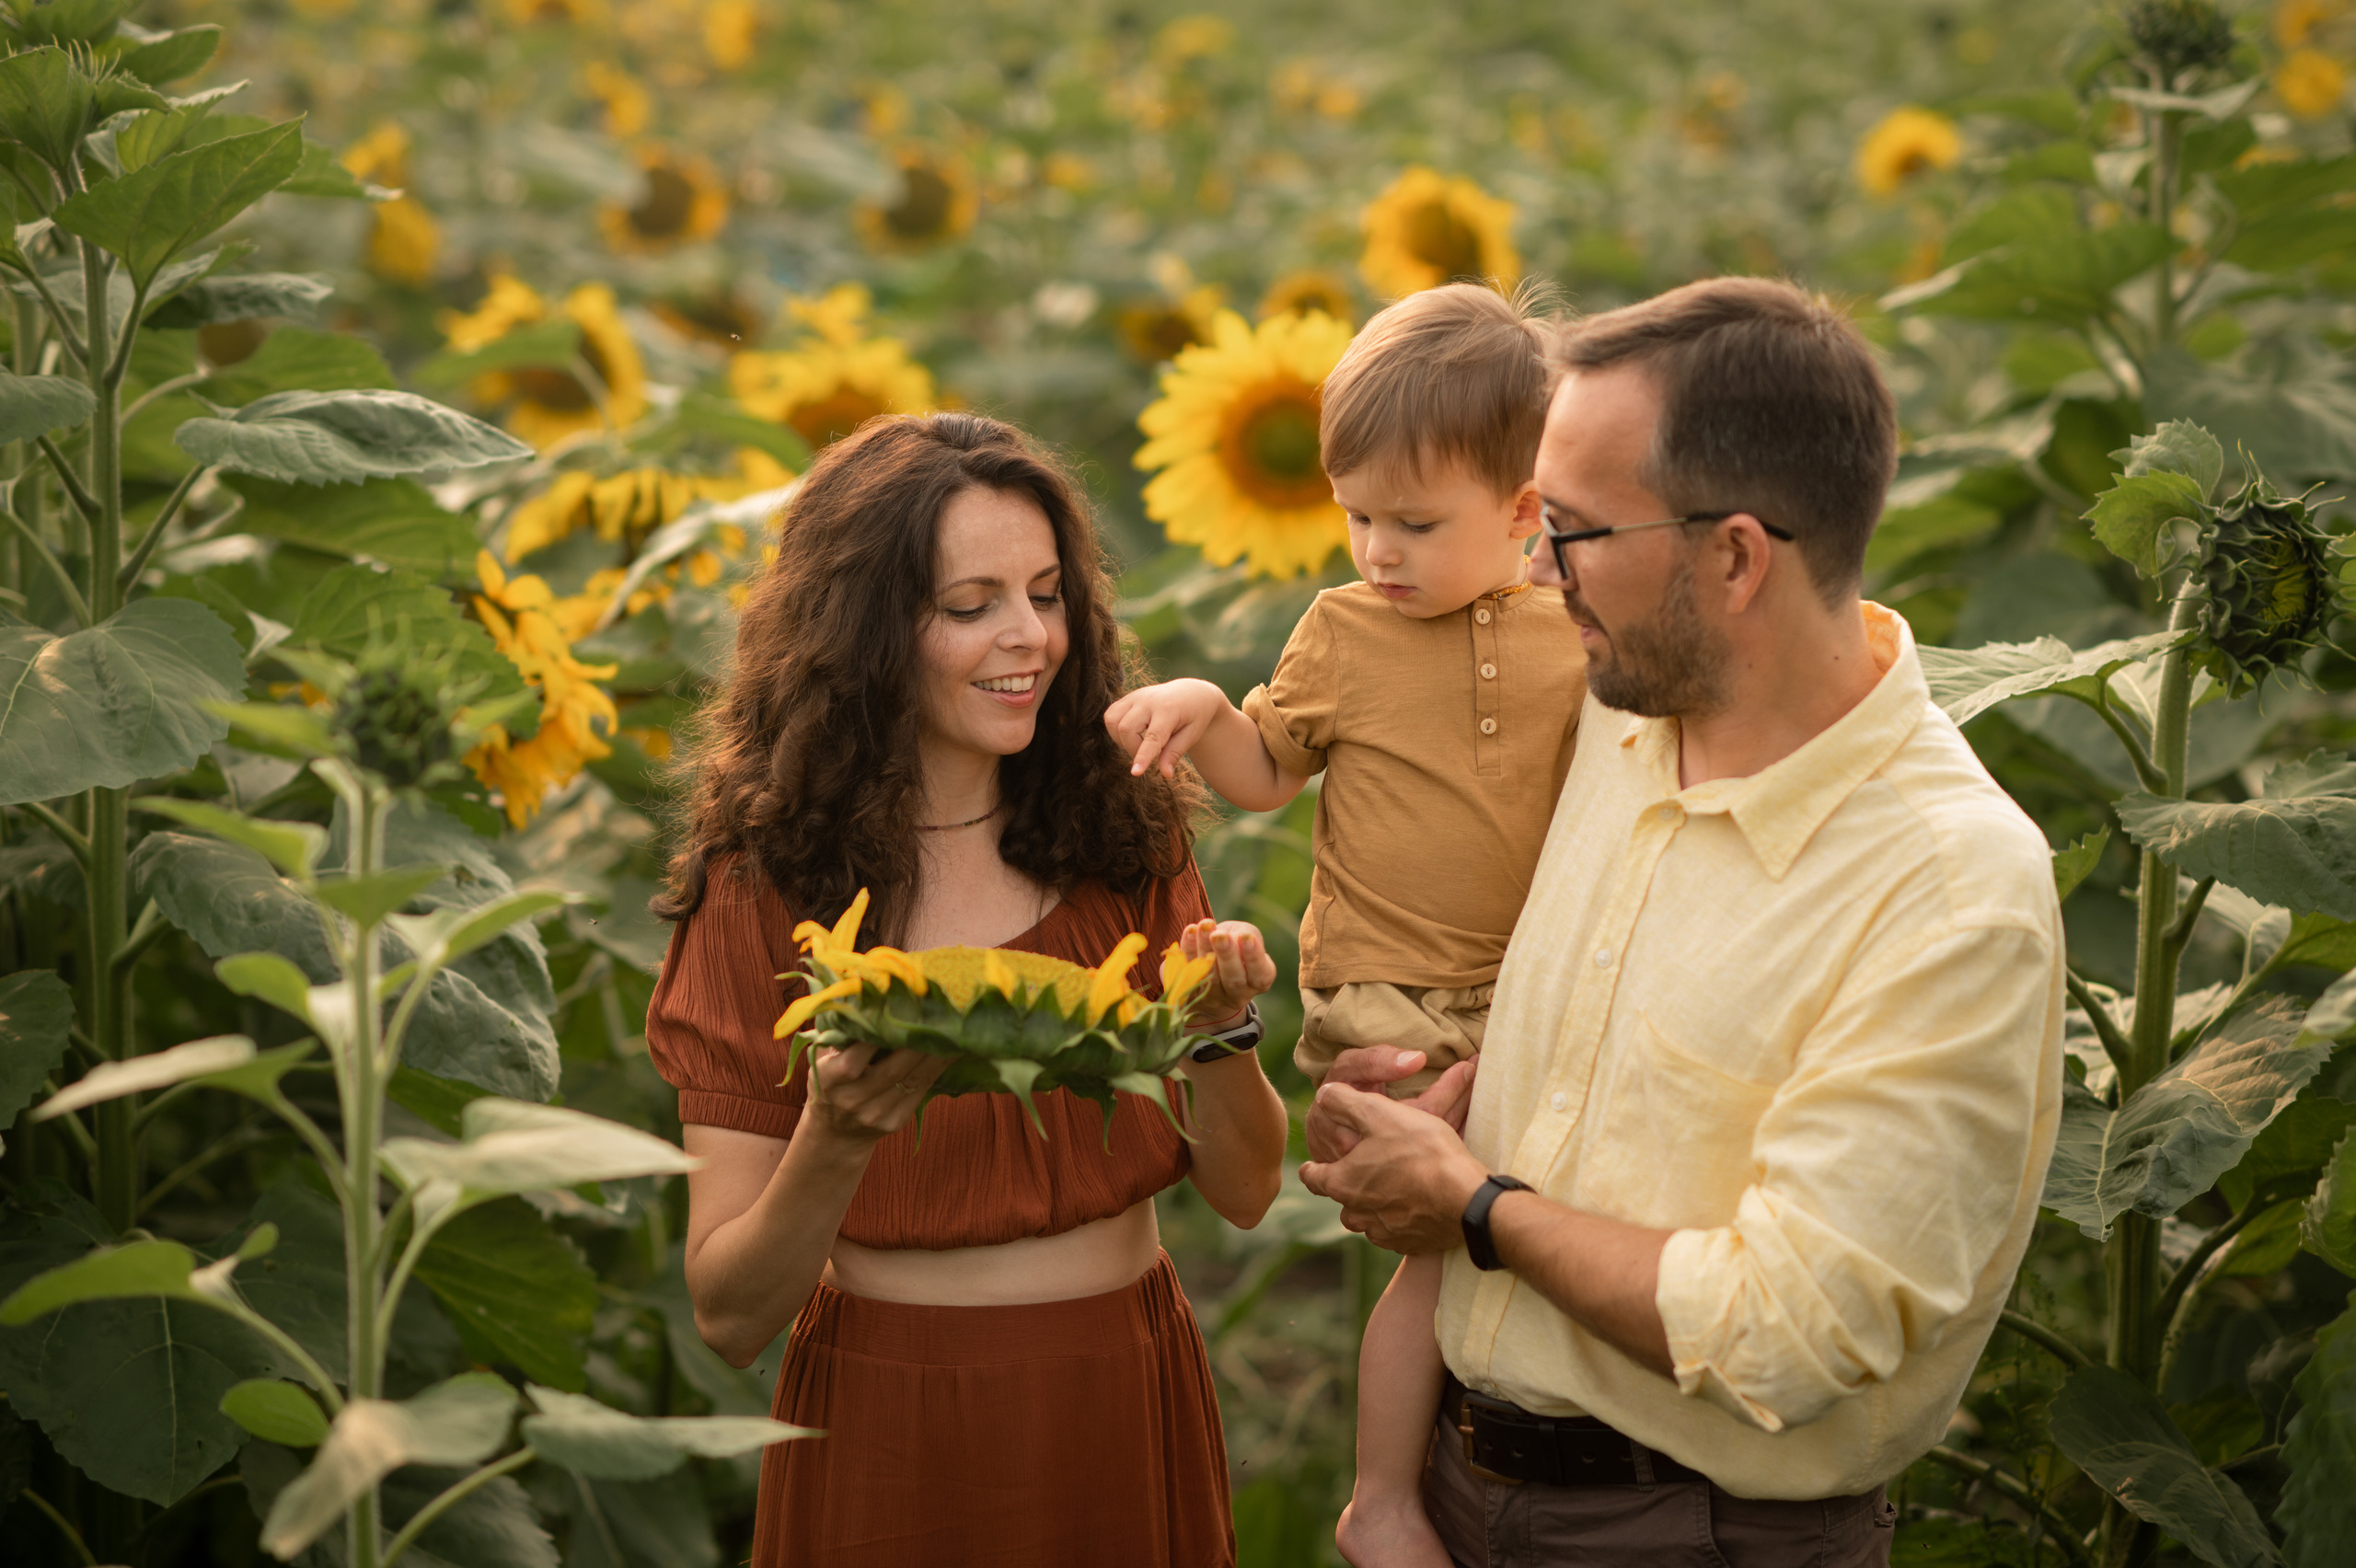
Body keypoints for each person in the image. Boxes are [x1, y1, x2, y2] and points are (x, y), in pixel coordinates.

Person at [1298, 276, 2066, 1567]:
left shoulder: (1945, 889)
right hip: (1452, 1480)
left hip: (1698, 1532)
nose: (1535, 567)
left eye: (1573, 530)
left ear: (1735, 557)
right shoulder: (1613, 711)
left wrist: (1476, 1206)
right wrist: (1432, 1093)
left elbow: (1791, 1331)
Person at [646, 412, 1291, 1568]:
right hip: (890, 1421)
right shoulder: (759, 891)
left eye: (1046, 595)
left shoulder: (1120, 830)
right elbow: (730, 1314)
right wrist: (836, 1137)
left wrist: (1219, 1031)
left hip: (1119, 1390)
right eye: (969, 605)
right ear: (863, 632)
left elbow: (1244, 1192)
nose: (1028, 638)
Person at [1106, 282, 1587, 1568]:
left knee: (1528, 1223)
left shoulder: (1577, 637)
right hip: (1388, 992)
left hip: (1527, 988)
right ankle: (1380, 1498)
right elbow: (1268, 769)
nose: (1379, 551)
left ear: (1524, 513)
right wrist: (1205, 708)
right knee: (1441, 1243)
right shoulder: (1345, 631)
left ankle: (1499, 1464)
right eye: (1358, 515)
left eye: (1415, 524)